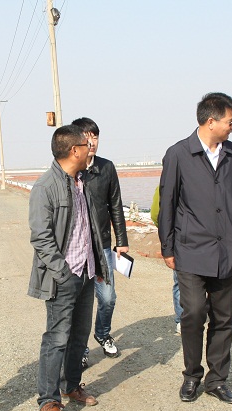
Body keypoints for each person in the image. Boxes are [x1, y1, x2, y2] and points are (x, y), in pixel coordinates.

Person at [158, 92, 232, 405]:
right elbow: (168, 202)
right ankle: (191, 375)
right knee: (195, 312)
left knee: (224, 318)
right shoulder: (178, 154)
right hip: (191, 250)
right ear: (211, 121)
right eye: (230, 121)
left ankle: (217, 381)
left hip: (228, 251)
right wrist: (168, 247)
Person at [28, 124, 109, 411]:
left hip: (86, 271)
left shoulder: (82, 182)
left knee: (79, 335)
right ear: (75, 150)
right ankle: (48, 402)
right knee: (57, 338)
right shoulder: (45, 187)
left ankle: (71, 385)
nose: (91, 148)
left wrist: (97, 266)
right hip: (64, 275)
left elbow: (90, 229)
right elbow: (41, 238)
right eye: (87, 145)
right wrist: (62, 273)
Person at [71, 117, 129, 367]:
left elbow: (115, 204)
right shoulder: (71, 169)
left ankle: (103, 334)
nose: (92, 142)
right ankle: (81, 347)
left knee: (107, 297)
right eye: (86, 137)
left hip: (103, 245)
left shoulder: (106, 167)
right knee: (80, 302)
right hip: (77, 248)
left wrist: (121, 240)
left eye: (95, 136)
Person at [150, 185, 182, 333]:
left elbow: (155, 214)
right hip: (187, 239)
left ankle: (182, 319)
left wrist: (166, 230)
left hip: (177, 238)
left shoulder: (165, 183)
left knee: (180, 283)